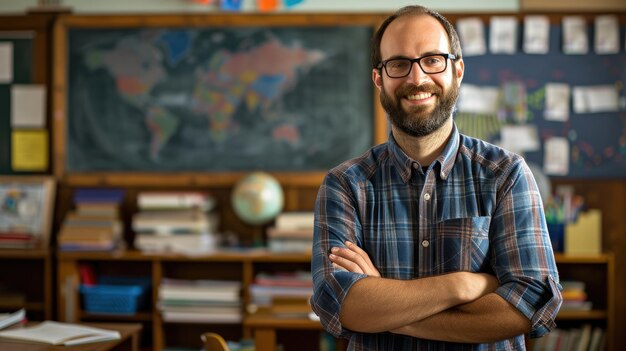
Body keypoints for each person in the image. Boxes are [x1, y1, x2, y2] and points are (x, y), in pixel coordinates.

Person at [310, 5, 562, 350]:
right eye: (399, 64)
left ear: (457, 70)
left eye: (432, 60)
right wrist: (462, 285)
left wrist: (383, 303)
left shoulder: (506, 174)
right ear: (379, 78)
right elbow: (339, 305)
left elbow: (530, 306)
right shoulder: (345, 185)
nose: (417, 79)